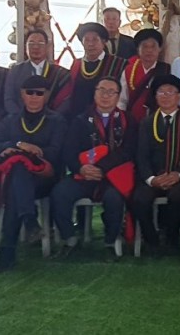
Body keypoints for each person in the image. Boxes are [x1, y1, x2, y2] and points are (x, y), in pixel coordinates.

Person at [51, 77, 137, 262]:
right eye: (101, 90)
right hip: (84, 175)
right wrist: (81, 168)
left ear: (118, 96)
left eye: (111, 92)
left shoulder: (127, 119)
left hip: (112, 176)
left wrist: (101, 168)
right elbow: (69, 151)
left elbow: (129, 151)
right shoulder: (80, 120)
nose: (105, 96)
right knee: (60, 193)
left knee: (114, 198)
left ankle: (110, 243)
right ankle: (70, 240)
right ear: (95, 92)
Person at [0, 75, 66, 273]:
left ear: (46, 96)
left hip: (45, 177)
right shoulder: (10, 120)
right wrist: (19, 145)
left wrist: (29, 153)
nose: (34, 97)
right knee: (18, 176)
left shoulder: (57, 120)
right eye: (29, 92)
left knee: (18, 173)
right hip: (19, 180)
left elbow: (56, 152)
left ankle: (8, 251)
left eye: (39, 93)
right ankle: (28, 220)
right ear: (22, 94)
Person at [132, 75, 180, 255]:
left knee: (178, 196)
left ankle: (172, 237)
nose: (166, 96)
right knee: (140, 198)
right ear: (155, 96)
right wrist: (151, 179)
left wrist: (178, 174)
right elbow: (141, 156)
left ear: (179, 96)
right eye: (161, 92)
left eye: (171, 92)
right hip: (154, 176)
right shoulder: (146, 122)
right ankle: (152, 240)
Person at [53, 22, 127, 120]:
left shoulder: (118, 64)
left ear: (104, 42)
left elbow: (123, 98)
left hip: (106, 119)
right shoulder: (77, 64)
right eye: (86, 40)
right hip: (77, 118)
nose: (90, 44)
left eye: (95, 40)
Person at [3, 29, 70, 113]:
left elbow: (66, 101)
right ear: (25, 47)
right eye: (31, 43)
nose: (35, 47)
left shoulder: (59, 73)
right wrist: (20, 119)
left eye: (40, 43)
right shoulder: (15, 71)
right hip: (20, 122)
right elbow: (9, 99)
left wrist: (53, 119)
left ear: (47, 47)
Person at [118, 28, 171, 122]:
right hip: (131, 121)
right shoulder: (128, 70)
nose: (149, 50)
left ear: (160, 49)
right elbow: (122, 100)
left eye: (153, 46)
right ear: (138, 49)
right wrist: (121, 120)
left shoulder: (167, 70)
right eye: (145, 46)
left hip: (157, 122)